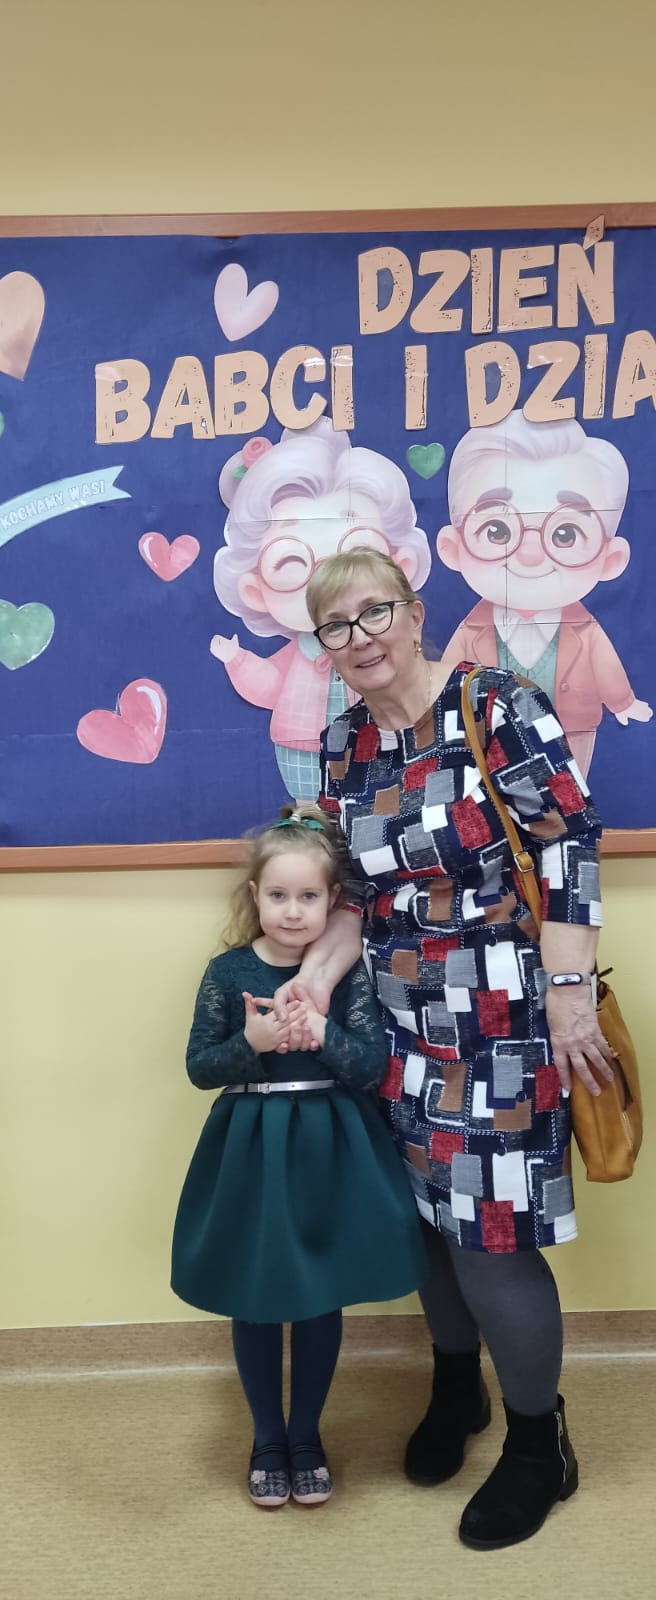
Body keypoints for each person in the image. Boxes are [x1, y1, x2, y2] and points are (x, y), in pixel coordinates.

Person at [290, 546, 614, 1550]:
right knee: (423, 1226)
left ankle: (538, 1443)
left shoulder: (495, 705)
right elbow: (356, 895)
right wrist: (315, 980)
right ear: (324, 648)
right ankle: (455, 1386)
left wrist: (571, 997)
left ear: (415, 611)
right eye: (335, 626)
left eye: (373, 611)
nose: (359, 637)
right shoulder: (344, 744)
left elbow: (566, 843)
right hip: (394, 1023)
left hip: (500, 1021)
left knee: (489, 1240)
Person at [170, 802, 427, 1510]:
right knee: (255, 1295)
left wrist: (323, 1030)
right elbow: (200, 1068)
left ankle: (306, 1436)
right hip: (252, 1148)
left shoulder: (347, 974)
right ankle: (266, 1439)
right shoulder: (227, 972)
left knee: (319, 1293)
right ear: (255, 895)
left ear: (333, 900)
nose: (291, 911)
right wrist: (251, 1045)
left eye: (308, 896)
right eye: (278, 895)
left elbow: (369, 1067)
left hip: (328, 1145)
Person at [210, 415, 431, 799]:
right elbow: (268, 685)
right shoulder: (302, 658)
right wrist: (238, 660)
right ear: (254, 589)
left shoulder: (476, 701)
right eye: (293, 562)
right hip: (300, 749)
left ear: (401, 569)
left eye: (356, 557)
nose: (330, 583)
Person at [436, 409, 652, 776]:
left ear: (609, 558)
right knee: (494, 792)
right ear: (453, 549)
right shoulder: (470, 630)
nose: (530, 554)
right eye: (498, 531)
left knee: (571, 789)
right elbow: (448, 675)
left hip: (572, 726)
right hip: (490, 730)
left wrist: (622, 702)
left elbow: (605, 664)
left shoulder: (586, 630)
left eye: (565, 534)